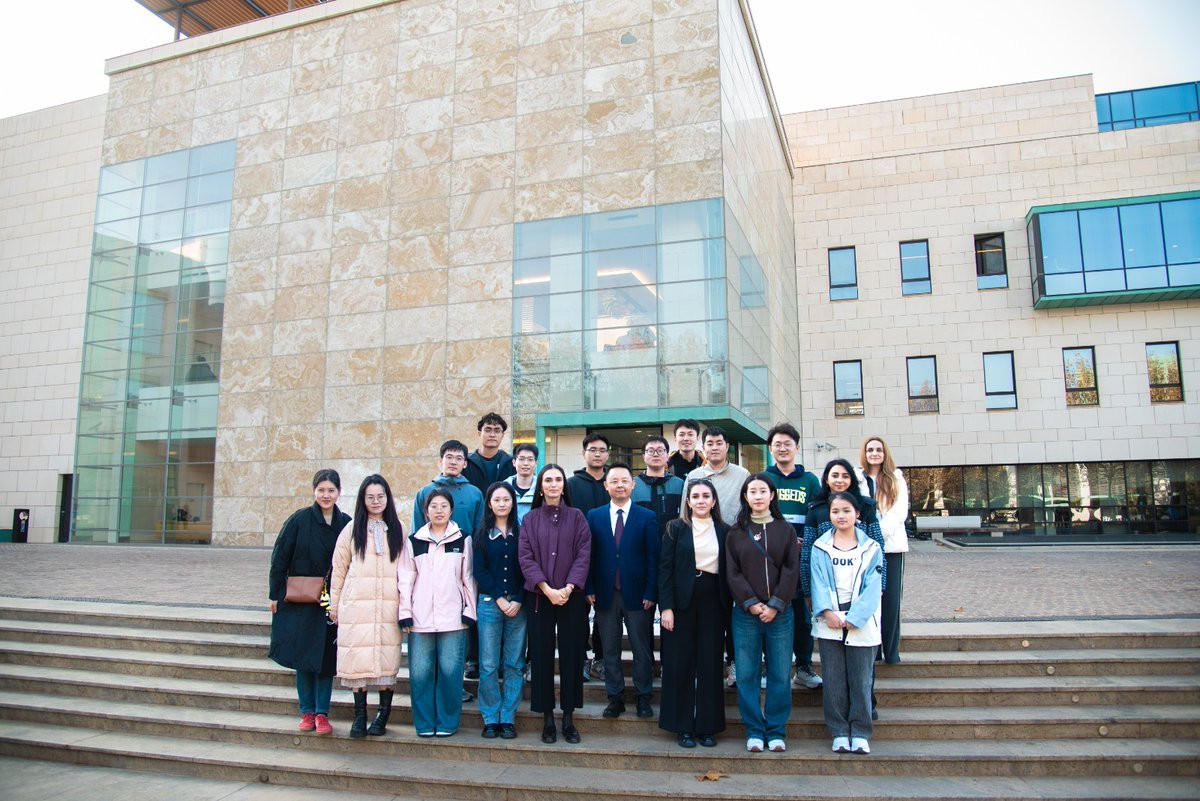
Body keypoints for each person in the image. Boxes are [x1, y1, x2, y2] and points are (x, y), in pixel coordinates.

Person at [268, 469, 351, 736]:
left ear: (339, 492)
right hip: (300, 596)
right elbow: (280, 557)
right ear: (314, 491)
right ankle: (307, 711)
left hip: (330, 597)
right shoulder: (299, 520)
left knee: (326, 657)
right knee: (303, 655)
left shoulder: (346, 523)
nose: (326, 495)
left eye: (331, 490)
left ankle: (322, 713)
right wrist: (274, 594)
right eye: (321, 490)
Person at [517, 464, 591, 745]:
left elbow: (584, 554)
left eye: (558, 479)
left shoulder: (577, 517)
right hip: (540, 597)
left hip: (571, 597)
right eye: (547, 480)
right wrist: (546, 589)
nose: (553, 484)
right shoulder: (530, 519)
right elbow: (525, 557)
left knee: (572, 656)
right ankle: (547, 718)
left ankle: (568, 718)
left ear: (564, 485)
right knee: (541, 656)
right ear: (540, 486)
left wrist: (569, 587)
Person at [725, 473, 798, 754]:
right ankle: (754, 730)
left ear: (772, 495)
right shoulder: (736, 531)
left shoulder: (785, 529)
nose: (757, 496)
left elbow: (791, 569)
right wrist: (751, 603)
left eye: (762, 491)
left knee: (780, 673)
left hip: (780, 613)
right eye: (752, 491)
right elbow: (732, 572)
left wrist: (776, 603)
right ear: (745, 496)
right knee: (747, 674)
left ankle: (776, 730)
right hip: (746, 614)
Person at [328, 474, 404, 738]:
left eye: (380, 496)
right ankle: (359, 716)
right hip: (357, 606)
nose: (376, 501)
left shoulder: (399, 529)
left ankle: (383, 715)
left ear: (387, 498)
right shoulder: (351, 529)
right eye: (370, 497)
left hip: (388, 606)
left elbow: (407, 571)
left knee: (387, 660)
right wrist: (333, 604)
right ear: (362, 499)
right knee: (357, 661)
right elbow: (338, 570)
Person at [398, 488, 477, 737]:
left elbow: (468, 578)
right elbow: (405, 579)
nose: (439, 511)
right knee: (420, 673)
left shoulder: (462, 539)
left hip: (453, 619)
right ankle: (424, 723)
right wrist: (405, 612)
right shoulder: (414, 541)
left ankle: (447, 723)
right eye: (434, 506)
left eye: (444, 506)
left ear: (451, 510)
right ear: (426, 511)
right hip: (420, 618)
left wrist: (469, 611)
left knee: (450, 673)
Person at [810, 491, 884, 755]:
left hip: (861, 623)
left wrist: (855, 617)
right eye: (835, 511)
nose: (840, 516)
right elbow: (817, 582)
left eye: (846, 511)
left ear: (857, 514)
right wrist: (827, 612)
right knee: (833, 680)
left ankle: (861, 731)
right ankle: (839, 731)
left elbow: (873, 587)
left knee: (861, 680)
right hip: (829, 621)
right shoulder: (820, 547)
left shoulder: (872, 548)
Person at [658, 478, 729, 748]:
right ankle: (682, 726)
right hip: (681, 601)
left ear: (713, 501)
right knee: (680, 663)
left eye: (705, 496)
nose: (701, 501)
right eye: (695, 496)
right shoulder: (675, 528)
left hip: (713, 599)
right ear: (688, 501)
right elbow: (665, 569)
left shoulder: (724, 530)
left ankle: (708, 726)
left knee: (710, 663)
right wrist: (666, 607)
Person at [585, 463, 659, 720]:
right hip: (605, 593)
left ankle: (643, 697)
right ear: (606, 486)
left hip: (639, 595)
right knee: (609, 649)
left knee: (641, 648)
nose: (619, 485)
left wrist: (651, 592)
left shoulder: (646, 516)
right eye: (614, 481)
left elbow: (653, 558)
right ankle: (614, 697)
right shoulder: (594, 516)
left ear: (633, 485)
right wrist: (589, 587)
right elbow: (588, 556)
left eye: (624, 481)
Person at [415, 439, 485, 687]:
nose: (453, 462)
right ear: (440, 461)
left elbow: (479, 532)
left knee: (464, 616)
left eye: (458, 458)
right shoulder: (425, 492)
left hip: (465, 566)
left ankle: (466, 668)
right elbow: (417, 535)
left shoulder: (475, 493)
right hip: (432, 570)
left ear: (465, 464)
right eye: (449, 457)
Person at [764, 422, 823, 690]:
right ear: (770, 449)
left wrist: (804, 542)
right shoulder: (764, 478)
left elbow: (817, 517)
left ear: (797, 448)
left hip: (801, 559)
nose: (782, 448)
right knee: (772, 613)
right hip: (771, 560)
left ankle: (803, 667)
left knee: (802, 616)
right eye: (777, 444)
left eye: (787, 444)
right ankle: (771, 668)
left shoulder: (810, 481)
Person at [473, 482, 526, 739]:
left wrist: (518, 598)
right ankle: (490, 716)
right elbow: (479, 570)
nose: (502, 504)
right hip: (489, 605)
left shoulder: (523, 531)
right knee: (489, 664)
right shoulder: (482, 533)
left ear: (513, 502)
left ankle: (508, 716)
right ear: (489, 503)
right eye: (497, 500)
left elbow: (529, 566)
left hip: (518, 605)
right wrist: (498, 598)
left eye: (506, 499)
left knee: (514, 663)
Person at [858, 437, 910, 665]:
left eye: (878, 449)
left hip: (891, 547)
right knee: (869, 599)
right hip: (865, 549)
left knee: (890, 601)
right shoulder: (858, 479)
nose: (874, 453)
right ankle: (873, 650)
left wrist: (879, 534)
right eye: (870, 449)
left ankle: (891, 653)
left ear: (885, 453)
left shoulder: (896, 478)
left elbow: (899, 512)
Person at [567, 432, 610, 682]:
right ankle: (581, 658)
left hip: (608, 557)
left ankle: (601, 659)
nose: (597, 454)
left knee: (605, 611)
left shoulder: (614, 481)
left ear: (608, 454)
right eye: (592, 449)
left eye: (602, 450)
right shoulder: (572, 484)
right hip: (578, 558)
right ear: (584, 454)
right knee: (579, 613)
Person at [682, 426, 749, 523]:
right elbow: (684, 513)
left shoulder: (742, 475)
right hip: (700, 530)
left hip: (735, 531)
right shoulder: (693, 476)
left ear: (727, 447)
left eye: (719, 443)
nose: (714, 448)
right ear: (703, 448)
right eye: (710, 444)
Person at [464, 412, 516, 494]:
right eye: (488, 430)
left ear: (502, 435)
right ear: (479, 433)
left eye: (497, 431)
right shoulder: (466, 462)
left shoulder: (511, 463)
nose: (492, 435)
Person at [506, 442, 539, 523]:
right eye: (521, 459)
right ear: (514, 462)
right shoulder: (504, 488)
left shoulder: (542, 488)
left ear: (536, 463)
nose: (526, 463)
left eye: (530, 459)